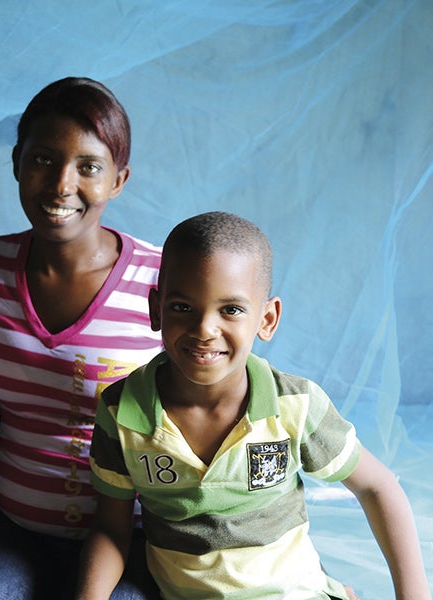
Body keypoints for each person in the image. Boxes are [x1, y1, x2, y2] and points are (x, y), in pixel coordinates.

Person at [77, 211, 430, 600]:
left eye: (230, 309)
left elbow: (379, 488)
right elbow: (112, 530)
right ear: (156, 309)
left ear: (267, 318)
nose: (204, 329)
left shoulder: (295, 405)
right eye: (182, 307)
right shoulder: (120, 411)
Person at [0, 77, 163, 599]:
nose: (61, 184)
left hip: (130, 540)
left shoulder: (159, 279)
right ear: (17, 161)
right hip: (14, 531)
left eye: (88, 166)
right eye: (43, 159)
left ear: (118, 180)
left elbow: (209, 410)